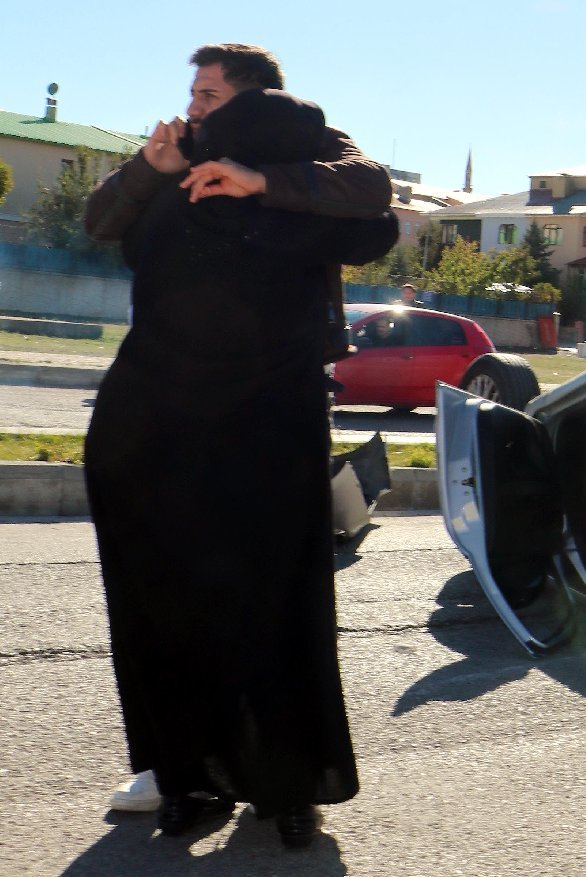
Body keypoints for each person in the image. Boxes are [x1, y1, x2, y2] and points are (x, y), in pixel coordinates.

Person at [83, 45, 394, 848]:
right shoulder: (174, 160)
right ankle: (181, 770)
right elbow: (101, 221)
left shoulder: (314, 151)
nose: (193, 107)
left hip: (268, 416)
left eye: (210, 94)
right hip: (153, 417)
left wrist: (262, 181)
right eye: (191, 92)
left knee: (274, 604)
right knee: (163, 602)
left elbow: (373, 198)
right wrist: (149, 171)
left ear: (255, 101)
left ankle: (285, 779)